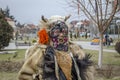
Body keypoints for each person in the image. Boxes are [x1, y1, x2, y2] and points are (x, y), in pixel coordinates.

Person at [18, 15, 94, 80]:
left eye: (63, 31)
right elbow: (25, 76)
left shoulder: (75, 50)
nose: (61, 35)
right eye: (57, 31)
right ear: (49, 33)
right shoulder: (40, 52)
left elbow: (87, 73)